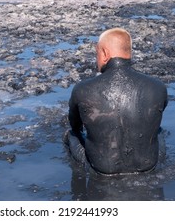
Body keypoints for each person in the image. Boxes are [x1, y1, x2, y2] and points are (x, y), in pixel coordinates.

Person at [65, 27, 168, 175]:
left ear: (105, 53)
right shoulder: (158, 87)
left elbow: (75, 126)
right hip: (148, 165)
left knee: (71, 135)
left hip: (101, 168)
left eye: (97, 53)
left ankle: (77, 185)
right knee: (159, 131)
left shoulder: (83, 89)